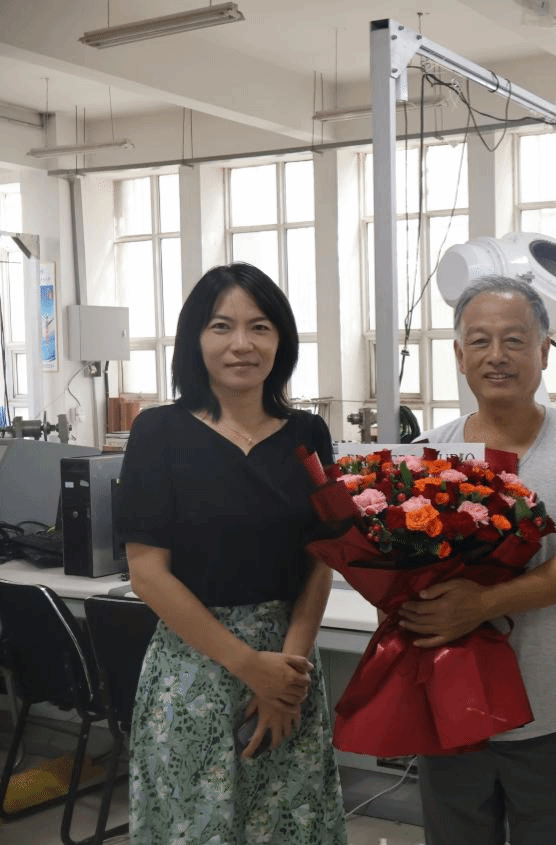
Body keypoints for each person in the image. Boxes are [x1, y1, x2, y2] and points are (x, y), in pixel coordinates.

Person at [395, 275, 556, 845]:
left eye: (515, 340)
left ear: (544, 351)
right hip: (452, 707)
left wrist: (483, 604)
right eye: (479, 341)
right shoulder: (427, 454)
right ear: (459, 356)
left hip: (552, 708)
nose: (496, 356)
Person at [115, 263, 347, 844]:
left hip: (289, 667)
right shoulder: (158, 432)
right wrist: (250, 667)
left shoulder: (308, 434)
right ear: (195, 339)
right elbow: (147, 573)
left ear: (281, 340)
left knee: (290, 825)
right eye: (221, 326)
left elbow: (322, 559)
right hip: (195, 670)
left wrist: (286, 675)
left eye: (259, 327)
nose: (242, 344)